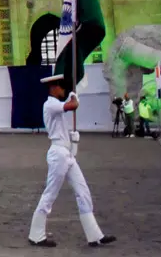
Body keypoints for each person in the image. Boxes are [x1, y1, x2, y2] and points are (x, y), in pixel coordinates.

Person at [29, 74, 116, 248]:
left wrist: (72, 140)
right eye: (61, 87)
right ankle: (36, 235)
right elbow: (73, 105)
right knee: (50, 194)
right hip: (58, 155)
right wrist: (74, 95)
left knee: (83, 192)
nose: (63, 90)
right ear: (54, 88)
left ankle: (94, 235)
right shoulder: (50, 104)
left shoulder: (55, 105)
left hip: (66, 153)